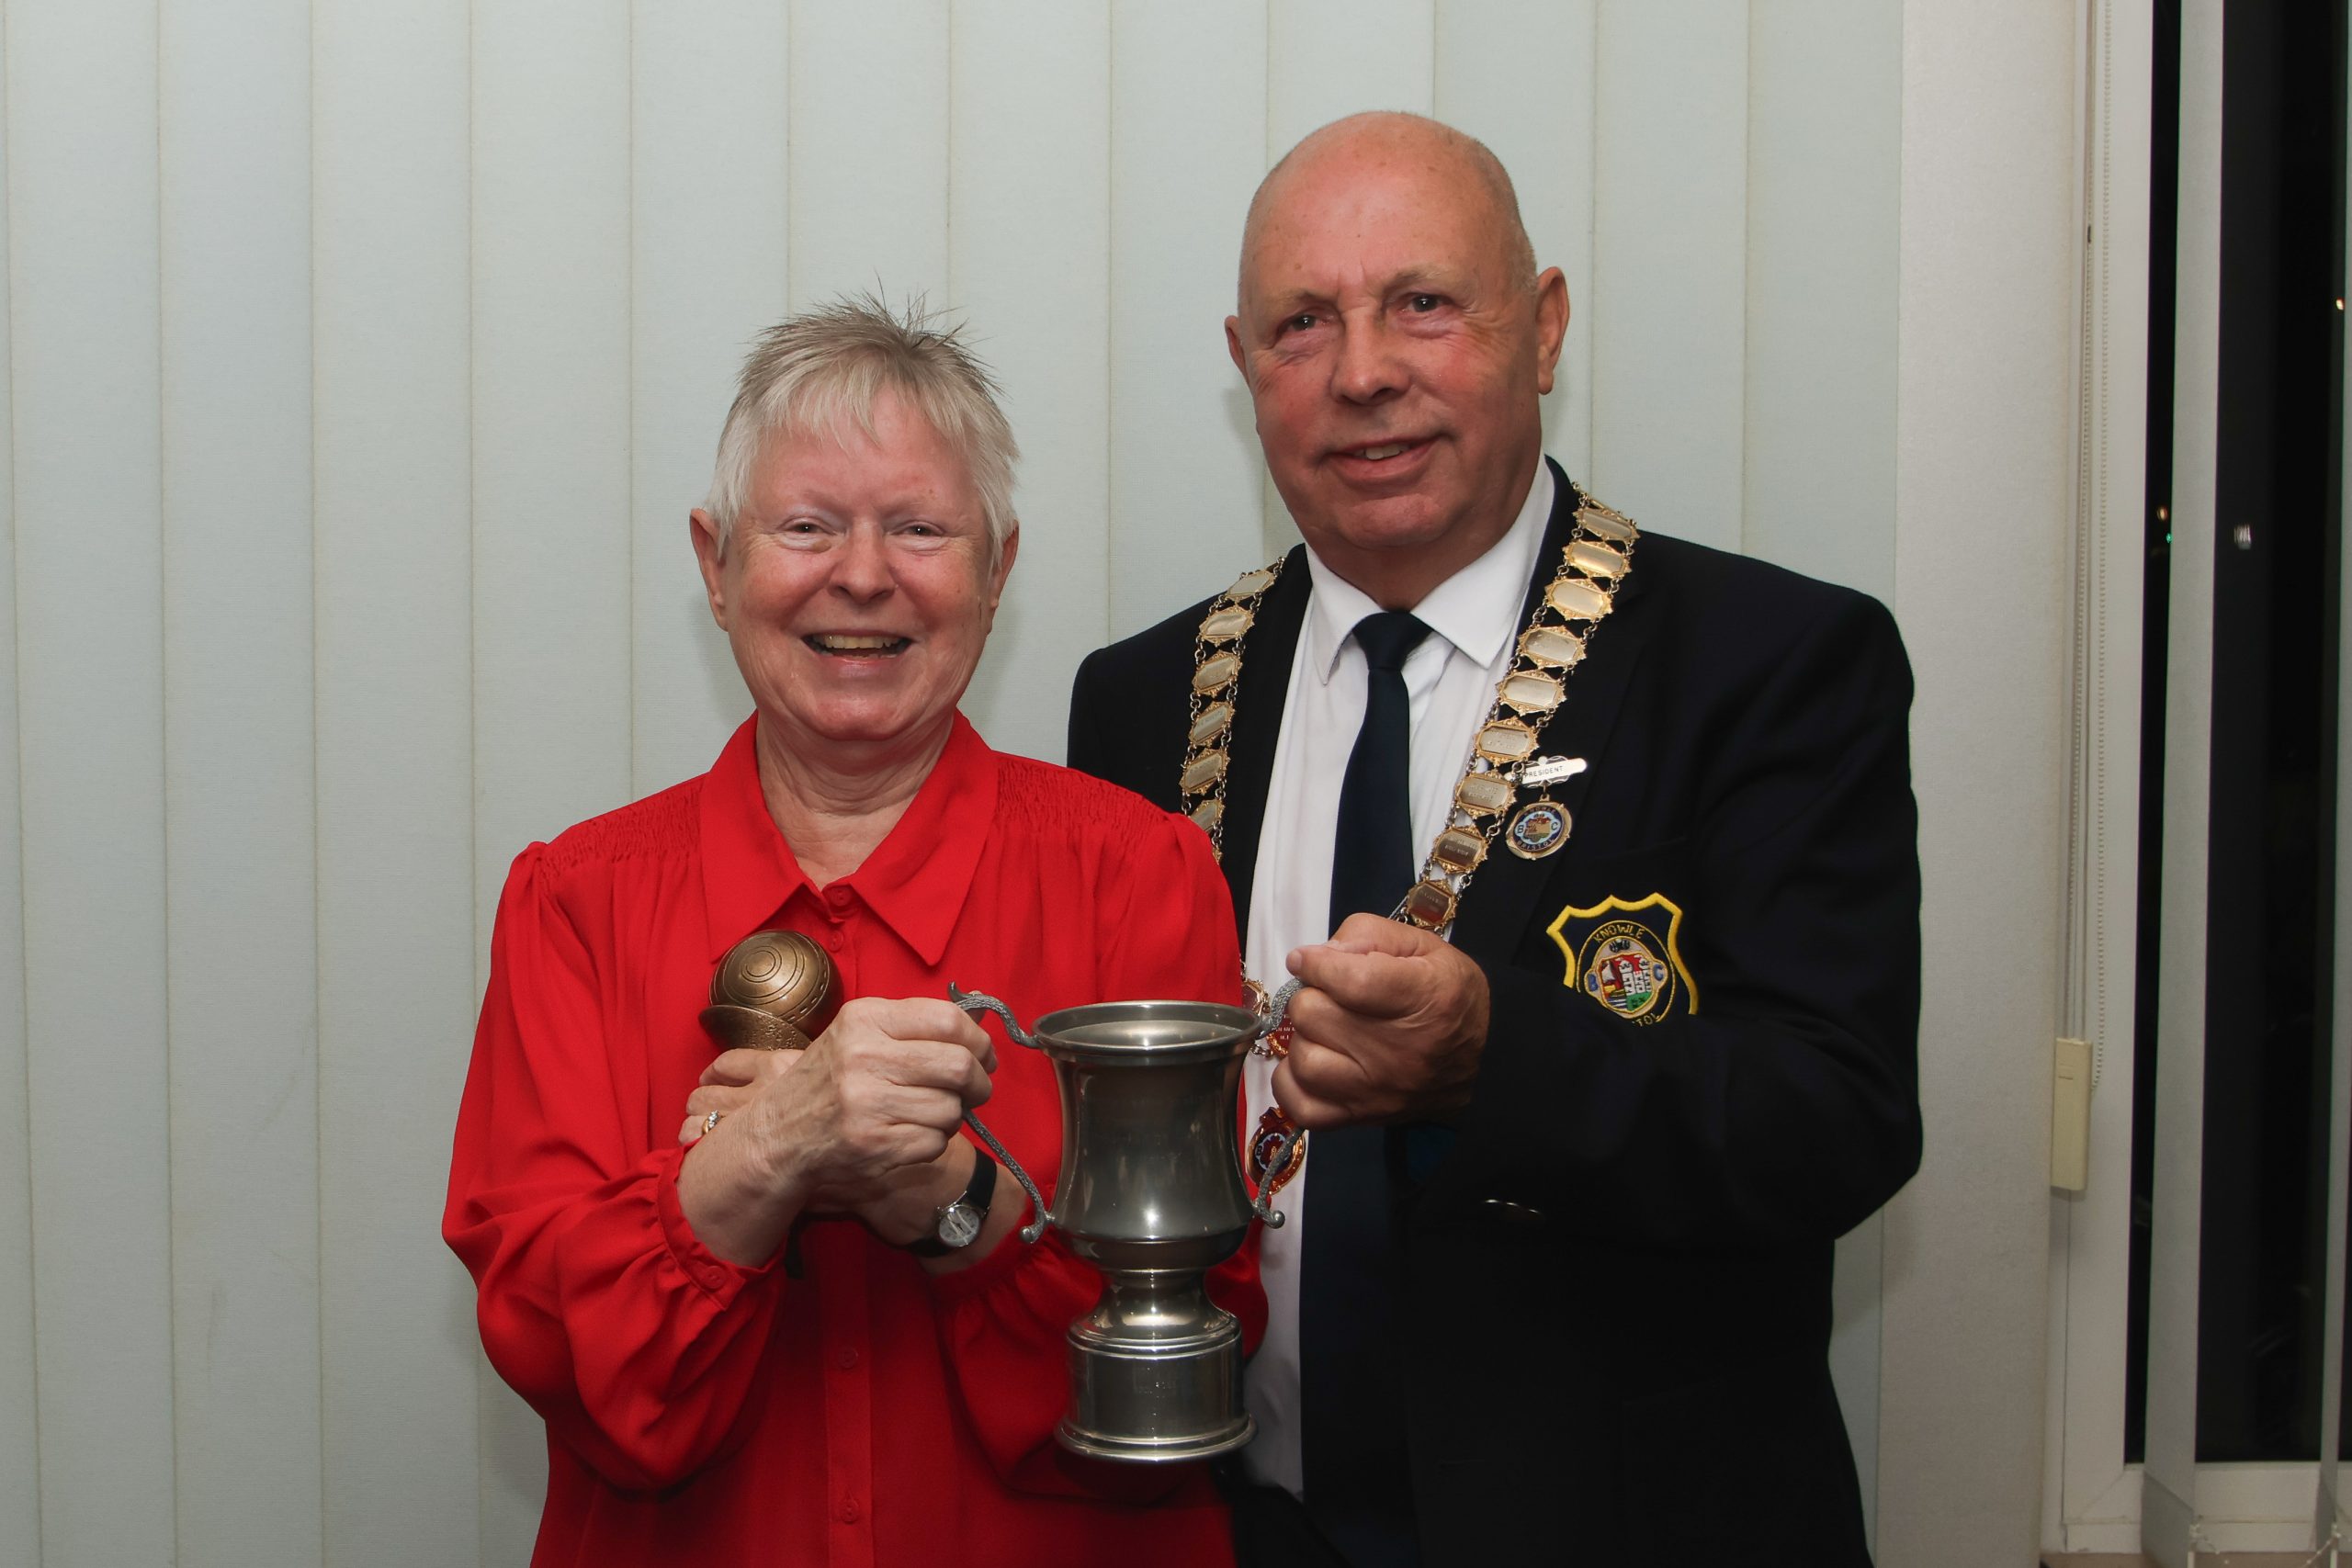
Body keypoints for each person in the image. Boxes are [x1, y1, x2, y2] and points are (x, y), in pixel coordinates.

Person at [1068, 112, 1921, 1566]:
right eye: (1300, 323)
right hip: (1231, 1525)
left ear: (1543, 329)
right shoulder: (1147, 698)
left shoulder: (1767, 661)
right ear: (1242, 366)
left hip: (1631, 1526)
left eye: (1422, 303)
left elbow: (1835, 1119)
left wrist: (1495, 1060)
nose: (1363, 373)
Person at [446, 298, 1263, 1568]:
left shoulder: (1138, 876)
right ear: (716, 566)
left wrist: (948, 1200)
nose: (864, 575)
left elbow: (1195, 1339)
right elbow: (561, 1350)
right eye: (807, 528)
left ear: (997, 570)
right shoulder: (577, 900)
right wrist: (766, 1154)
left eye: (922, 529)